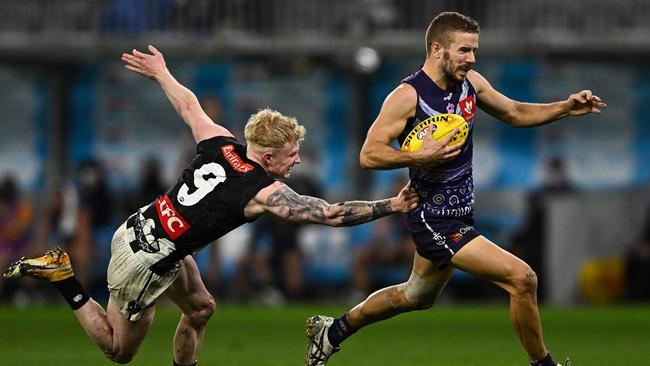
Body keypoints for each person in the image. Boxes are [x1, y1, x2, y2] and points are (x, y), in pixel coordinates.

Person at [2, 45, 419, 366]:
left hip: (142, 228)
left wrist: (162, 72)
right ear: (268, 157)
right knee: (118, 350)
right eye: (292, 154)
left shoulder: (221, 142)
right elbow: (329, 214)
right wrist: (392, 204)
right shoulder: (260, 190)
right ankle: (64, 277)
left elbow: (188, 106)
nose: (297, 160)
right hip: (146, 262)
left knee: (201, 308)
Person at [305, 11, 606, 366]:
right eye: (464, 50)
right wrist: (418, 155)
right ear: (437, 49)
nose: (472, 59)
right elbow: (369, 154)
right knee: (522, 279)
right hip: (434, 218)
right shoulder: (407, 96)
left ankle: (334, 330)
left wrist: (565, 108)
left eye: (474, 50)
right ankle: (543, 364)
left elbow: (514, 113)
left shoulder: (470, 83)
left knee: (415, 295)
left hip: (461, 213)